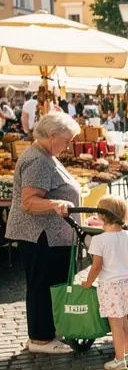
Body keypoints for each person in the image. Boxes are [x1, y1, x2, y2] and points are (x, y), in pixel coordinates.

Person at [6, 112, 82, 354]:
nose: (68, 145)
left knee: (49, 285)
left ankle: (46, 332)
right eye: (67, 140)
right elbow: (28, 201)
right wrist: (54, 204)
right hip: (40, 235)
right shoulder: (38, 160)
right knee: (42, 285)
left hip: (49, 235)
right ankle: (41, 339)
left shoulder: (45, 154)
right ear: (52, 135)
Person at [81, 195, 128, 370]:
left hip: (110, 286)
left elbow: (96, 267)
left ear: (102, 216)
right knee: (124, 321)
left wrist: (87, 282)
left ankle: (118, 360)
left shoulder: (99, 240)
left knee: (115, 325)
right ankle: (126, 355)